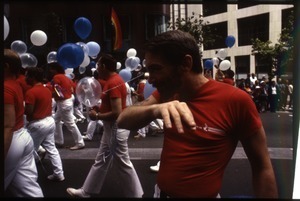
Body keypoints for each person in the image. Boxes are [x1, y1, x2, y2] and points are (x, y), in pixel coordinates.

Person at [116, 30, 278, 198]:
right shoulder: (167, 94)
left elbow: (262, 168)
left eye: (156, 69)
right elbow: (122, 120)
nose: (150, 80)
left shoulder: (236, 101)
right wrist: (155, 110)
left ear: (185, 64)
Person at [66, 53, 143, 198]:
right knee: (101, 161)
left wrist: (97, 116)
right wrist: (98, 109)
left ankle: (136, 195)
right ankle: (86, 191)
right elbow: (108, 105)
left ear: (104, 66)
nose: (97, 68)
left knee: (123, 163)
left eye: (98, 65)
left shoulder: (113, 82)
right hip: (112, 128)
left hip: (115, 128)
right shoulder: (113, 80)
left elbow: (117, 112)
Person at [4, 49, 44, 197]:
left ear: (6, 66)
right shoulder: (14, 84)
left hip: (11, 139)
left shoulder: (6, 87)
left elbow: (7, 125)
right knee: (28, 189)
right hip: (22, 137)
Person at [24, 67, 65, 182]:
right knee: (52, 149)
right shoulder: (47, 90)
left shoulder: (31, 92)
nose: (25, 78)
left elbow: (28, 112)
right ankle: (59, 174)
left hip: (38, 124)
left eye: (27, 75)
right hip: (49, 121)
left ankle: (28, 179)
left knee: (29, 152)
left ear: (32, 77)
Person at [48, 62, 85, 150]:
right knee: (56, 121)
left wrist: (51, 95)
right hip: (67, 101)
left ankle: (80, 143)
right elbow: (72, 89)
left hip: (63, 102)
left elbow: (58, 92)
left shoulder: (56, 77)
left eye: (51, 69)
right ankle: (59, 141)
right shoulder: (66, 77)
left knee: (70, 124)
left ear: (55, 69)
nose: (50, 71)